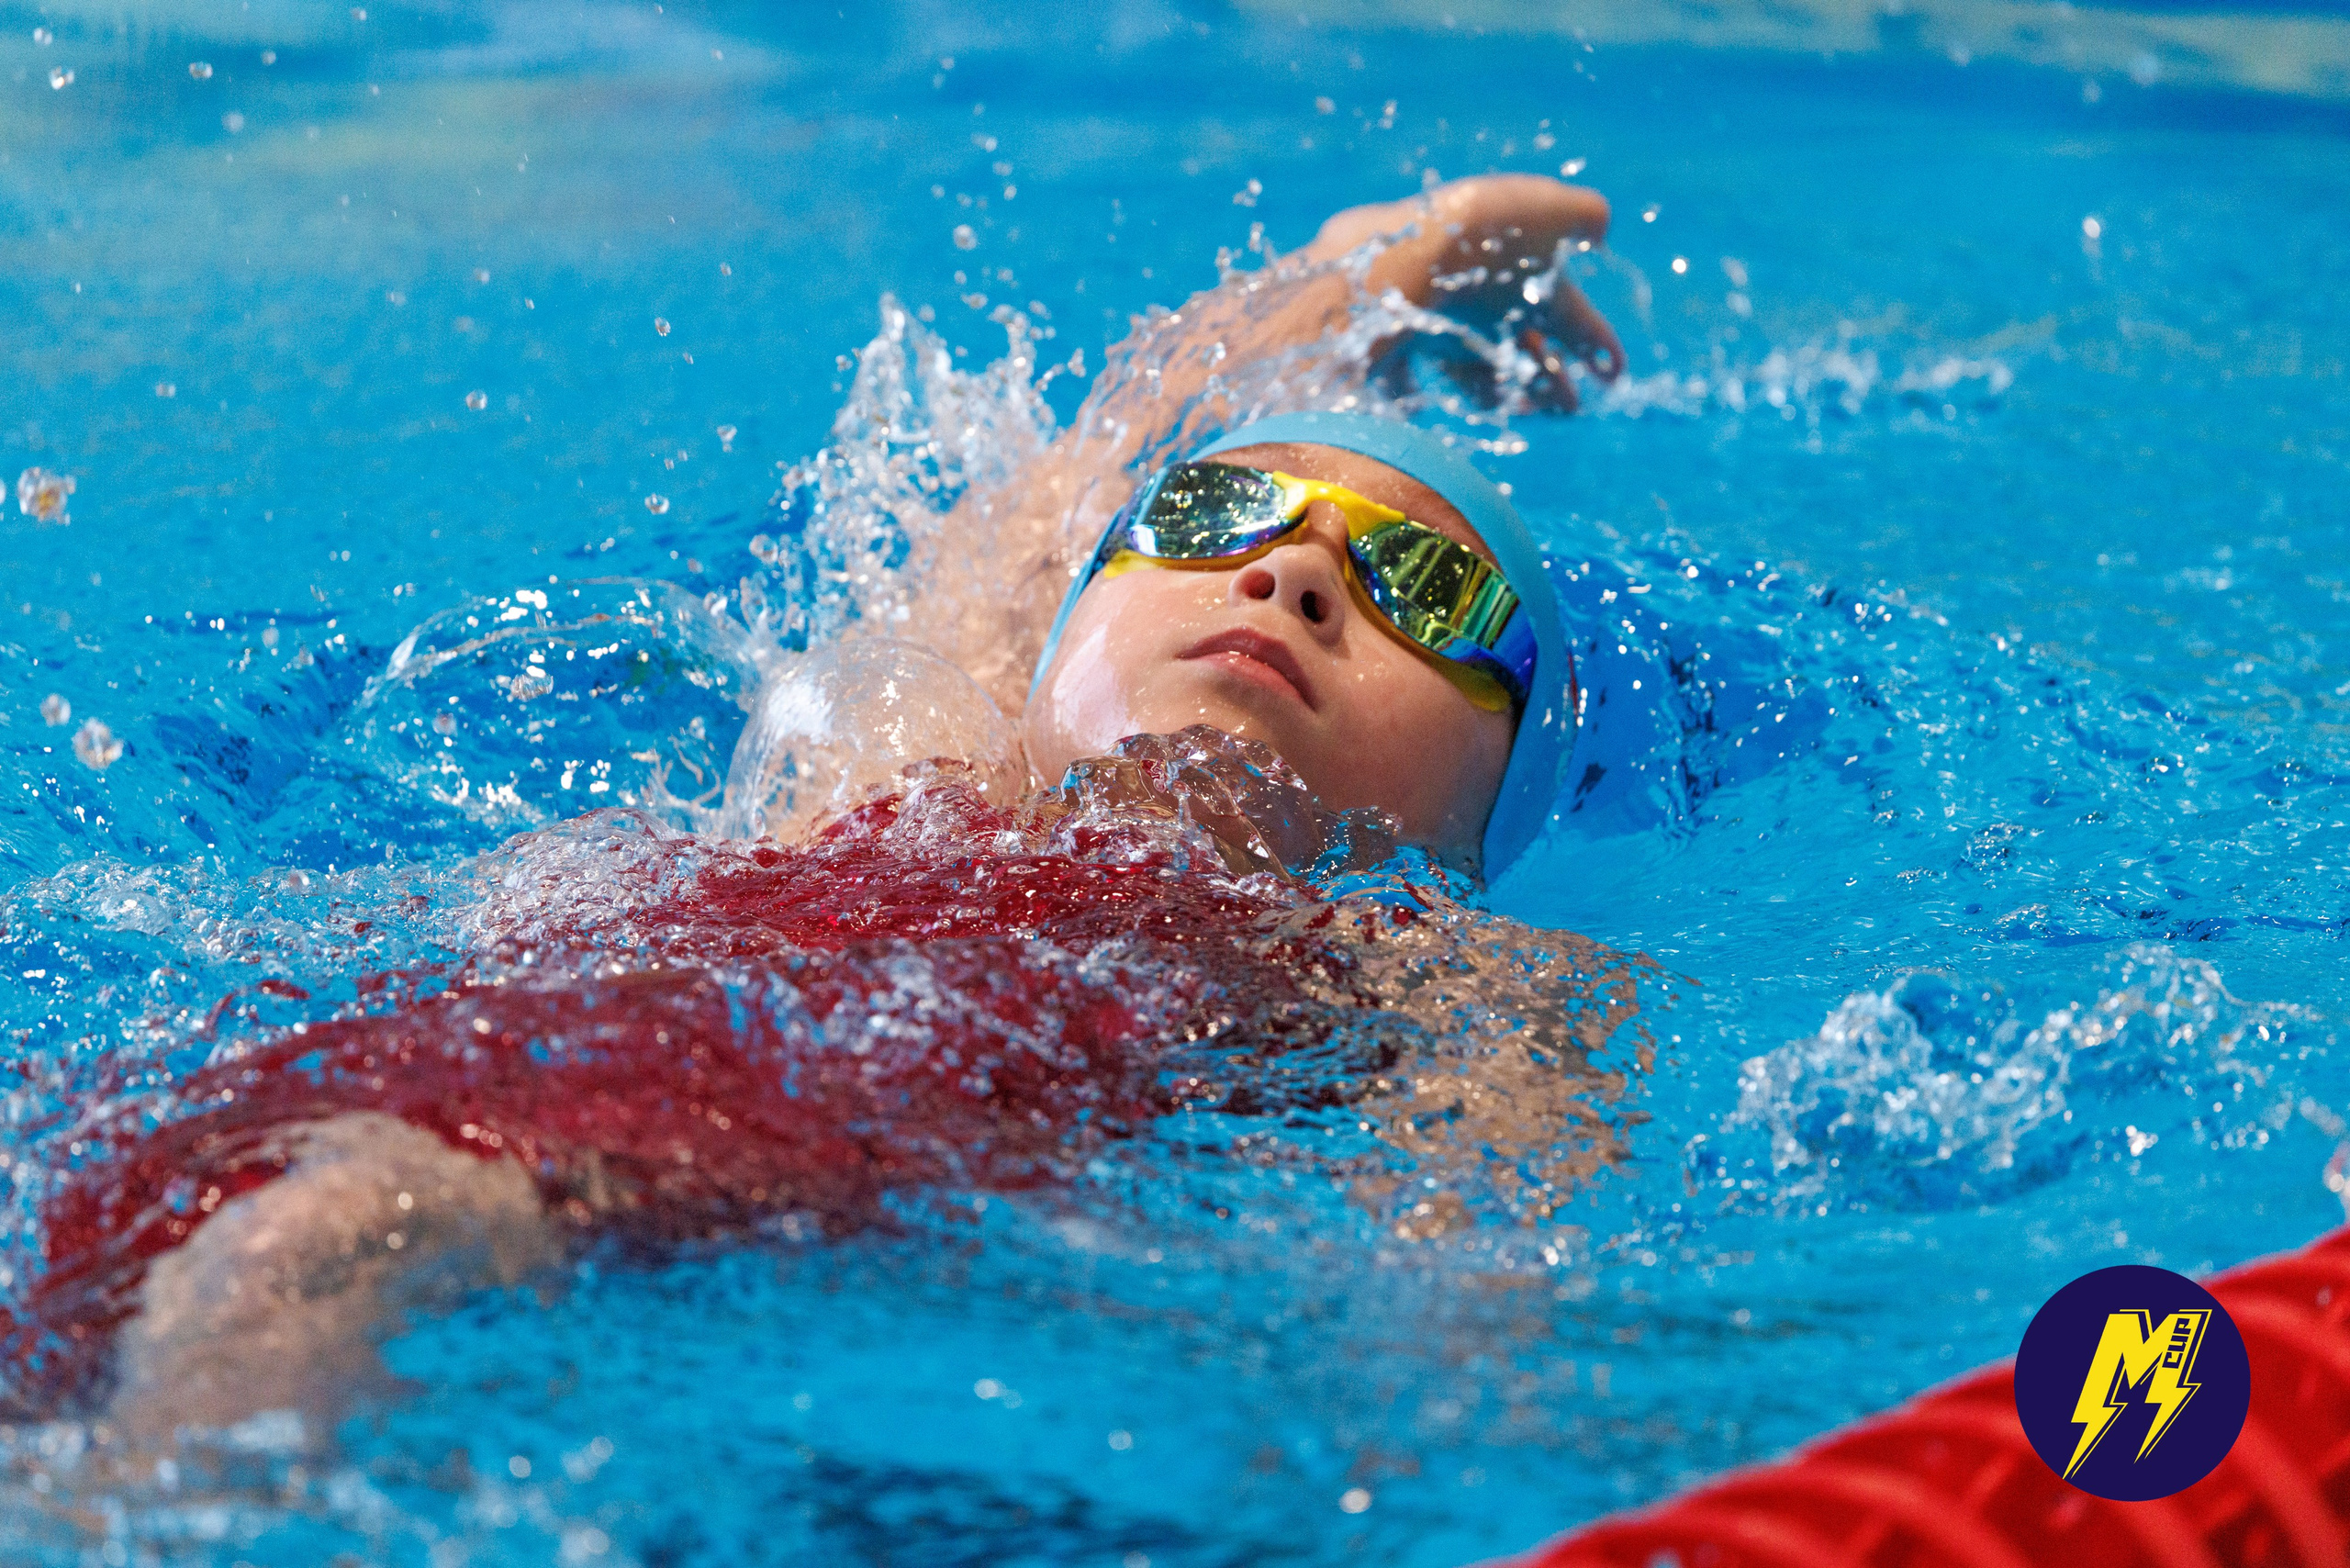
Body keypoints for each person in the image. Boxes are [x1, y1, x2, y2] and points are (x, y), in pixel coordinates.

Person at [2, 174, 1636, 1439]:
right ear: (1072, 628)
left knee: (305, 1257)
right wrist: (1388, 254)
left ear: (1499, 802)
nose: (1285, 570)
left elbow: (1465, 1333)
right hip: (356, 1103)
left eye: (1419, 578)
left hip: (500, 1208)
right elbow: (1085, 459)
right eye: (1216, 511)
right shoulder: (926, 749)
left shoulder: (1455, 985)